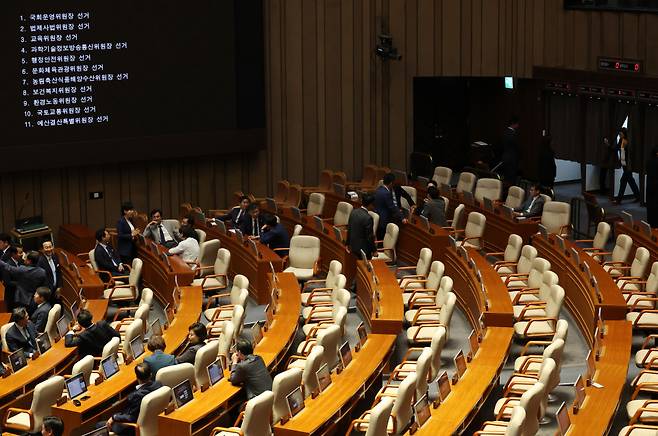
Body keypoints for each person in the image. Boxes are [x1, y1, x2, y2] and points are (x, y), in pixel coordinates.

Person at [98, 363, 162, 436]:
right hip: (154, 423)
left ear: (137, 377)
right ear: (150, 375)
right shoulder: (159, 385)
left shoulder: (137, 396)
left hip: (132, 427)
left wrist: (114, 417)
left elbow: (131, 417)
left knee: (99, 425)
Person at [374, 173, 406, 239]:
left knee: (379, 238)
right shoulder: (386, 193)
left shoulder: (378, 189)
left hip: (378, 218)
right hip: (384, 220)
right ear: (391, 183)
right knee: (383, 239)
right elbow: (392, 207)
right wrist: (402, 217)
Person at [614, 127, 642, 204]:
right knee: (630, 181)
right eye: (619, 134)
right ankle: (639, 196)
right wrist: (608, 145)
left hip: (627, 164)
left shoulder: (626, 141)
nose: (619, 135)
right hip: (623, 163)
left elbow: (624, 151)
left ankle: (618, 200)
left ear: (624, 134)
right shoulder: (621, 140)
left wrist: (622, 144)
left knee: (623, 181)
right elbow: (616, 149)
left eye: (620, 134)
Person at [346, 194, 376, 259]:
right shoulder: (368, 218)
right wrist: (374, 250)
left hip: (353, 247)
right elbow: (369, 237)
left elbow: (349, 229)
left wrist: (347, 244)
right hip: (363, 251)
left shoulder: (353, 212)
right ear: (370, 204)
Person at [501, 116, 520, 184]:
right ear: (513, 124)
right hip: (512, 159)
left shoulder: (505, 132)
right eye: (517, 124)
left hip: (505, 157)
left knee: (506, 178)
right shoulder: (513, 134)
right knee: (512, 179)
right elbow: (516, 147)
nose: (518, 126)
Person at [646, 145, 658, 227]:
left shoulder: (649, 161)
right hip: (656, 185)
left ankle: (650, 221)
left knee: (650, 204)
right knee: (656, 205)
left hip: (650, 184)